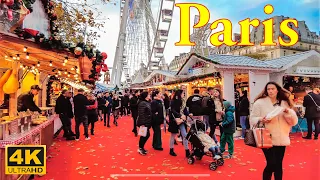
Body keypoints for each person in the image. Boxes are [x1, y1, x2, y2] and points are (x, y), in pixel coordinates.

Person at [250, 82, 298, 180]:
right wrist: (261, 119)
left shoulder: (284, 103)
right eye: (268, 89)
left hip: (282, 137)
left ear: (277, 90)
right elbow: (252, 119)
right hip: (266, 137)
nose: (270, 91)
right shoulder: (260, 102)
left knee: (278, 165)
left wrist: (288, 112)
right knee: (271, 163)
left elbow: (293, 122)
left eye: (273, 89)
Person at [168, 90, 191, 157]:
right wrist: (180, 115)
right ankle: (171, 149)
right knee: (173, 135)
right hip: (175, 120)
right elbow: (173, 111)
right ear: (180, 94)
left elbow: (185, 110)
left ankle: (187, 150)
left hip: (182, 120)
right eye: (183, 93)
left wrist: (189, 114)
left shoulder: (183, 101)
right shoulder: (173, 101)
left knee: (185, 135)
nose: (184, 94)